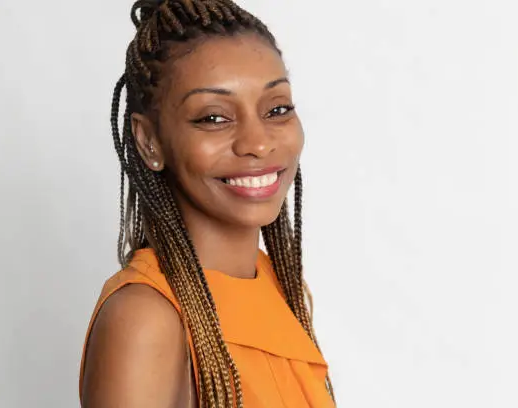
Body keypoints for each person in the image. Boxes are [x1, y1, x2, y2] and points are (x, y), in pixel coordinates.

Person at [79, 0, 336, 406]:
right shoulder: (146, 319)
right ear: (150, 141)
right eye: (213, 118)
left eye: (277, 109)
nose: (258, 142)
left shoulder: (282, 289)